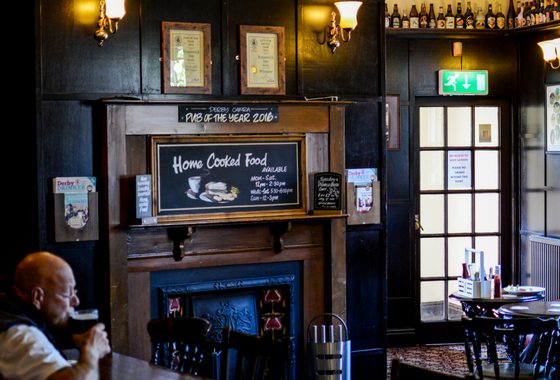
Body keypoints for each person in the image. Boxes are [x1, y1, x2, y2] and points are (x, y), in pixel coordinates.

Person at [0, 252, 111, 380]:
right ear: (37, 297)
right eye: (67, 294)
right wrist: (92, 350)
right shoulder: (20, 336)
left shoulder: (6, 307)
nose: (76, 301)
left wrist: (73, 340)